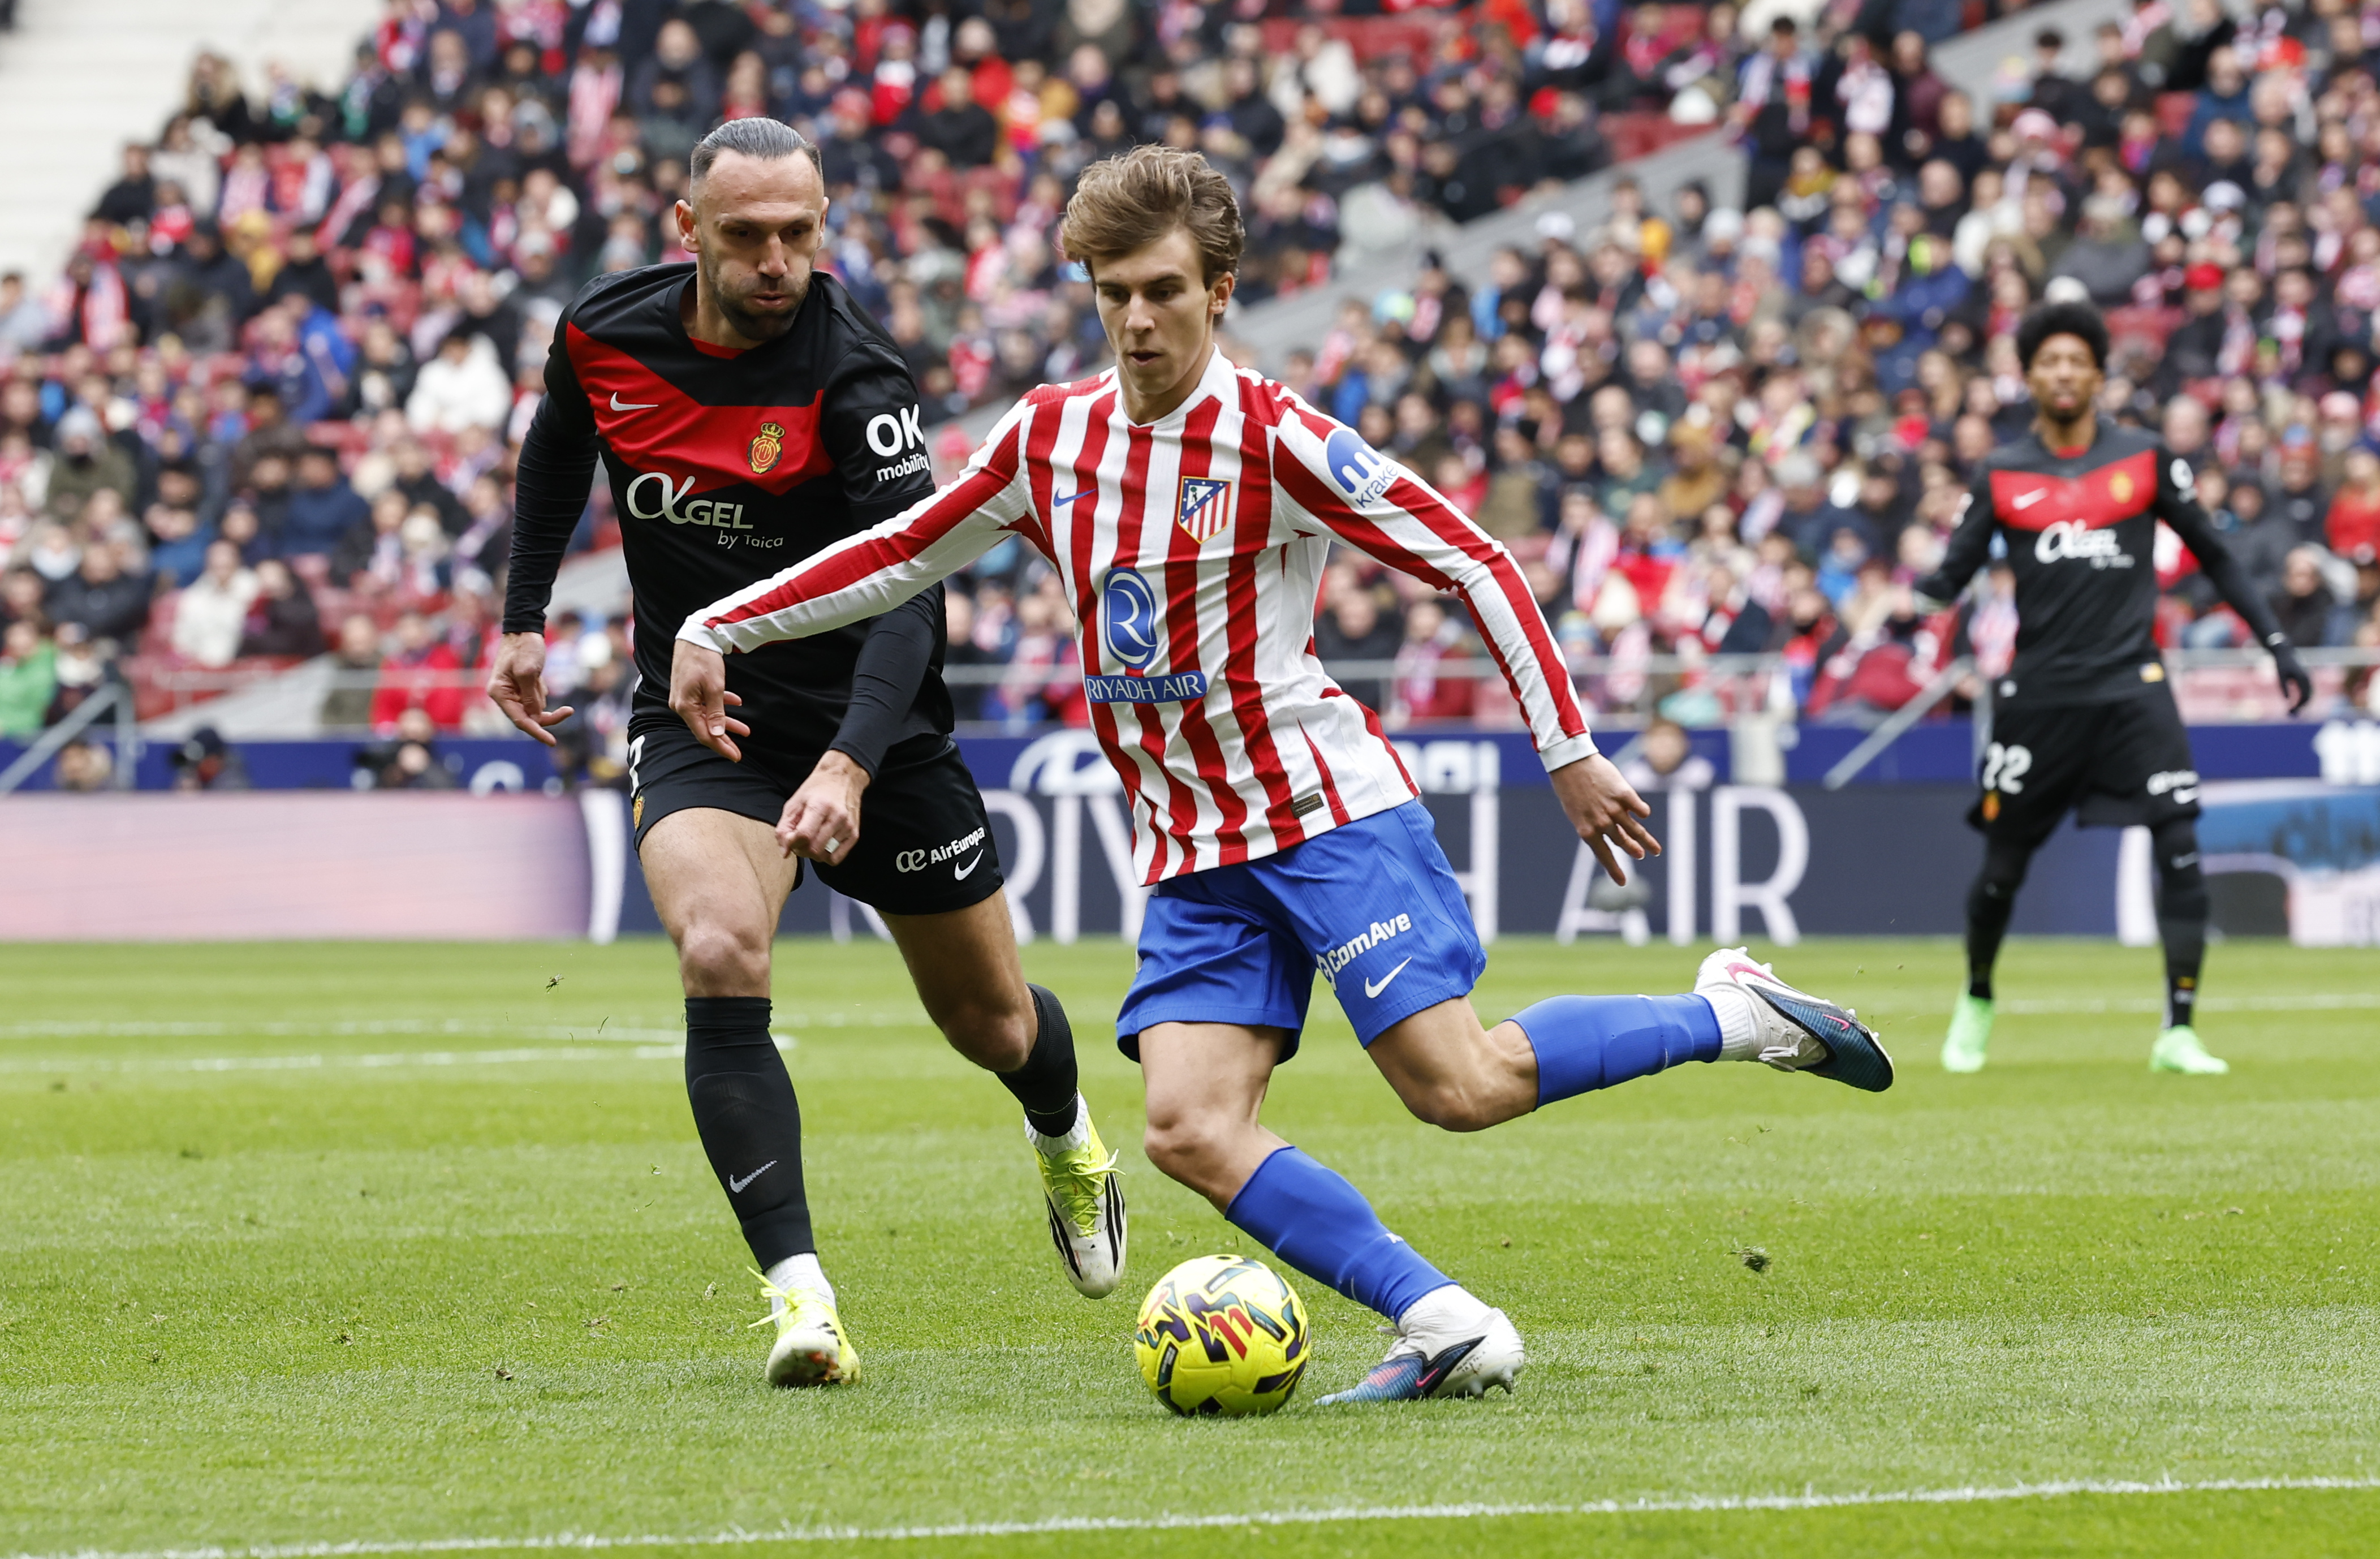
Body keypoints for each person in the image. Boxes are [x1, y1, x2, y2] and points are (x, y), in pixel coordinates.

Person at [670, 146, 1892, 1407]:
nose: (1136, 320)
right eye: (1112, 294)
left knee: (1457, 1086)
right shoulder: (1051, 436)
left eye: (1161, 291)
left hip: (1323, 815)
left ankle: (1734, 1010)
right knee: (1186, 1125)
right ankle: (1448, 1318)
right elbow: (900, 549)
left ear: (1220, 289)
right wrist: (721, 625)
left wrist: (1568, 749)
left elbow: (1472, 559)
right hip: (1193, 849)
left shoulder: (1277, 438)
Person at [490, 118, 1122, 1391]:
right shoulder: (605, 330)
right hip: (704, 716)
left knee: (991, 1020)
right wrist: (522, 615)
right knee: (721, 945)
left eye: (801, 232)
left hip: (877, 725)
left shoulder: (856, 377)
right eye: (747, 235)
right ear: (689, 231)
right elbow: (563, 443)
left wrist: (848, 761)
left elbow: (914, 585)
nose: (778, 259)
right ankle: (802, 1301)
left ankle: (1064, 1133)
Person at [1916, 302, 2312, 1078]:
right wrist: (1918, 594)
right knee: (2002, 869)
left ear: (2099, 373)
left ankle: (2180, 1029)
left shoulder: (2147, 459)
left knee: (2183, 848)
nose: (2063, 373)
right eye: (2048, 362)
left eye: (2077, 361)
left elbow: (2218, 558)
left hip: (2134, 687)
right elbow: (1948, 578)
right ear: (2027, 376)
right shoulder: (2000, 472)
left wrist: (2277, 643)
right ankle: (1978, 1001)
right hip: (2038, 697)